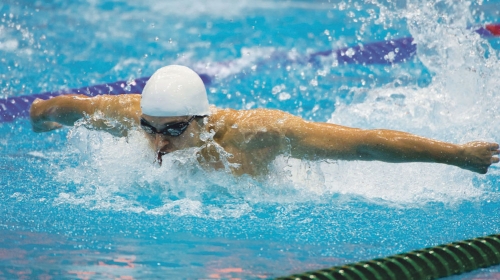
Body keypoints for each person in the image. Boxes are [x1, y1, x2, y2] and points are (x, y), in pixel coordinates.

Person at [30, 65, 499, 176]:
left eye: (174, 130)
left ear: (202, 120)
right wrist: (41, 123)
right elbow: (50, 107)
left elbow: (365, 143)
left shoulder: (258, 134)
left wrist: (458, 155)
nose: (158, 141)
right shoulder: (137, 116)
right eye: (149, 128)